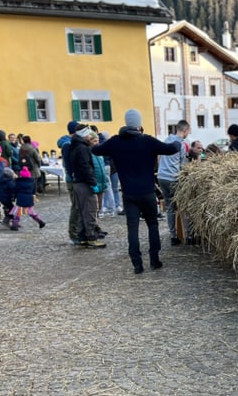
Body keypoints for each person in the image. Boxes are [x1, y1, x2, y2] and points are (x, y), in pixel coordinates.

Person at [92, 109, 180, 274]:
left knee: (132, 228)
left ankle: (137, 265)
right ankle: (154, 260)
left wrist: (90, 141)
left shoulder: (115, 142)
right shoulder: (148, 141)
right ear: (139, 124)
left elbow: (96, 150)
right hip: (147, 192)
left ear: (126, 123)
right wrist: (179, 141)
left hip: (129, 194)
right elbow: (171, 148)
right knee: (152, 225)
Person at [66, 124, 106, 248]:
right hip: (84, 183)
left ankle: (82, 236)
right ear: (84, 135)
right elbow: (85, 167)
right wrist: (93, 183)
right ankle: (91, 237)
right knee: (90, 210)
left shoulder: (74, 146)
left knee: (82, 210)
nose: (90, 136)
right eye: (88, 134)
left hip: (78, 182)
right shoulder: (83, 148)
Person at [158, 121, 190, 246]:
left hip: (162, 177)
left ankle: (173, 235)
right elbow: (183, 165)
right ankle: (187, 234)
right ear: (185, 130)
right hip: (173, 178)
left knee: (170, 207)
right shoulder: (181, 144)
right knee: (183, 206)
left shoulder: (167, 140)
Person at [9, 166, 46, 231]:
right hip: (29, 198)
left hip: (20, 199)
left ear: (21, 175)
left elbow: (15, 190)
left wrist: (13, 198)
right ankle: (40, 222)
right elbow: (34, 190)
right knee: (31, 212)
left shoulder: (18, 182)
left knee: (17, 213)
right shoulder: (32, 181)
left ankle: (14, 226)